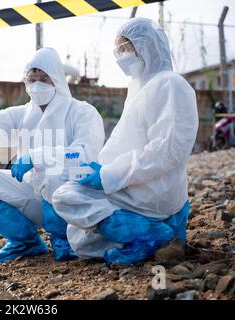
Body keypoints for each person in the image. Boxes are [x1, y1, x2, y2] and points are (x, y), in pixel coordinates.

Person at [52, 18, 199, 264]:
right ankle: (159, 235)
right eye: (118, 49)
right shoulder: (140, 87)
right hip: (133, 182)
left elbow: (168, 151)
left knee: (65, 197)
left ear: (147, 46)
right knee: (80, 240)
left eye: (125, 48)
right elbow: (129, 141)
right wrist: (100, 169)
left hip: (153, 188)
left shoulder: (170, 84)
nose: (120, 56)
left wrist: (109, 175)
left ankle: (152, 234)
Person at [0, 48, 105, 264]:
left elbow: (84, 153)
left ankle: (66, 238)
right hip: (36, 196)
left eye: (44, 78)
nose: (37, 84)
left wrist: (36, 157)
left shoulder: (82, 112)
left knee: (52, 174)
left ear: (56, 79)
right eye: (32, 78)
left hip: (72, 199)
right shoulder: (21, 114)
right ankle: (26, 242)